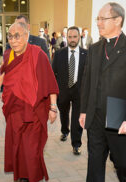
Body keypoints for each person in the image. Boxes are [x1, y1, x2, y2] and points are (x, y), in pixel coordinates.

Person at [0, 22, 59, 182]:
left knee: (32, 148)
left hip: (34, 110)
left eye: (17, 35)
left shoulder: (37, 54)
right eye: (10, 36)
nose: (13, 39)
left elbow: (50, 82)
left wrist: (53, 107)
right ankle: (24, 176)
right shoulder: (8, 55)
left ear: (27, 36)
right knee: (17, 145)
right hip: (14, 110)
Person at [79, 2, 126, 182]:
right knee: (95, 164)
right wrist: (83, 111)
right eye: (97, 18)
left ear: (118, 20)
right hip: (95, 115)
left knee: (122, 162)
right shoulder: (95, 48)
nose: (97, 22)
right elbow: (87, 81)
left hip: (119, 114)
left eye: (102, 19)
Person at [52, 26, 87, 155]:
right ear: (67, 37)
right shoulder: (59, 53)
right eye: (70, 37)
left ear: (79, 37)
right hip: (63, 91)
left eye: (75, 37)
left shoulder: (86, 54)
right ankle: (64, 131)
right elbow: (53, 73)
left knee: (77, 118)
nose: (72, 39)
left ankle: (76, 144)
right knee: (64, 114)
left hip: (79, 92)